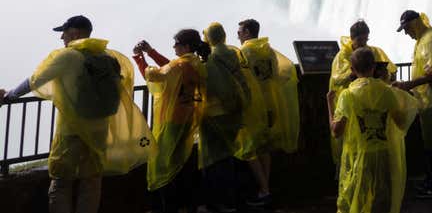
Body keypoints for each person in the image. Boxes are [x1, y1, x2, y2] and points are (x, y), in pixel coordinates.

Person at [0, 15, 153, 213]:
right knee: (91, 182)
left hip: (71, 130)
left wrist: (8, 97)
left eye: (64, 32)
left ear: (76, 33)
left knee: (62, 183)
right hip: (99, 128)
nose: (62, 37)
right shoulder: (107, 57)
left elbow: (35, 80)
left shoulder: (68, 56)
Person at [327, 47, 418, 213]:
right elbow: (401, 122)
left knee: (358, 201)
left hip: (359, 157)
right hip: (384, 155)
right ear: (374, 67)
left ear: (353, 70)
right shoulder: (386, 92)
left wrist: (329, 104)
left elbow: (336, 131)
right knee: (382, 201)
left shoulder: (347, 96)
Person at [132, 30, 209, 213]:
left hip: (171, 120)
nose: (173, 47)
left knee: (163, 165)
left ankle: (167, 206)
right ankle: (189, 205)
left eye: (176, 44)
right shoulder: (194, 63)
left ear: (186, 47)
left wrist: (139, 57)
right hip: (187, 117)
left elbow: (154, 75)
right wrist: (151, 52)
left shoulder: (179, 66)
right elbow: (170, 68)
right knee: (181, 162)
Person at [200, 22, 267, 213]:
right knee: (229, 155)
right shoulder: (233, 52)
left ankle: (224, 202)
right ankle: (233, 200)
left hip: (219, 112)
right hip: (237, 109)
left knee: (217, 159)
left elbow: (217, 87)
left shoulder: (214, 58)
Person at [237, 18, 300, 208]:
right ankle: (266, 188)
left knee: (248, 148)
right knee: (265, 146)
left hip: (253, 105)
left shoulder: (244, 52)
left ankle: (264, 189)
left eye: (240, 31)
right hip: (271, 103)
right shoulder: (269, 51)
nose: (238, 35)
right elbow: (277, 74)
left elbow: (240, 78)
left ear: (248, 32)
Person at [392, 10, 432, 198]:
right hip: (427, 101)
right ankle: (431, 181)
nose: (406, 33)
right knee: (430, 144)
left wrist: (408, 84)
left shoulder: (430, 39)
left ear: (415, 23)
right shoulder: (422, 40)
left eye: (407, 28)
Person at [329, 20, 397, 165]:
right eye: (360, 40)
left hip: (371, 101)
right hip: (351, 104)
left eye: (366, 39)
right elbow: (337, 80)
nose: (363, 43)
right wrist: (353, 75)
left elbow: (392, 72)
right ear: (352, 38)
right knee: (350, 139)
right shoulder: (342, 57)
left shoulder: (373, 51)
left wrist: (384, 74)